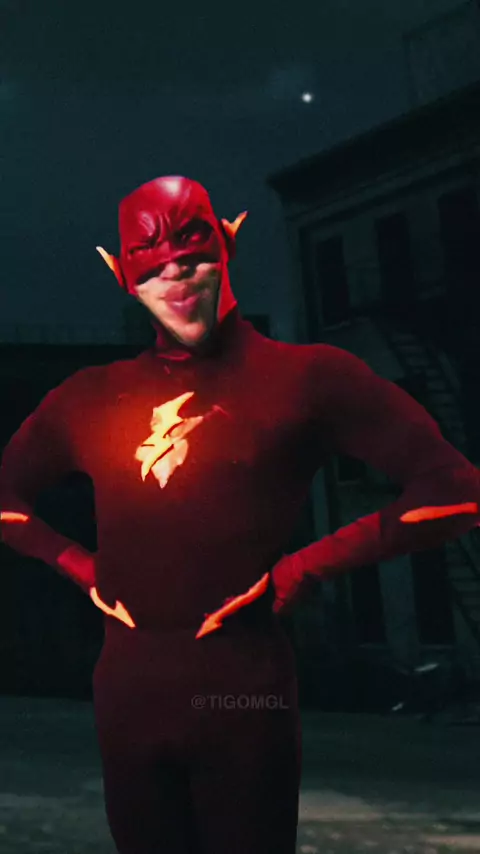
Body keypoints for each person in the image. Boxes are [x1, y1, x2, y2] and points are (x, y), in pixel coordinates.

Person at [1, 174, 480, 854]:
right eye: (152, 265)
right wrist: (80, 565)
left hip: (244, 699)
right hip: (128, 699)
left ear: (226, 242)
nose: (175, 275)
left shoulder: (308, 377)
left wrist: (300, 572)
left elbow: (458, 491)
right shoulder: (89, 397)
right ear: (121, 275)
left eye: (191, 252)